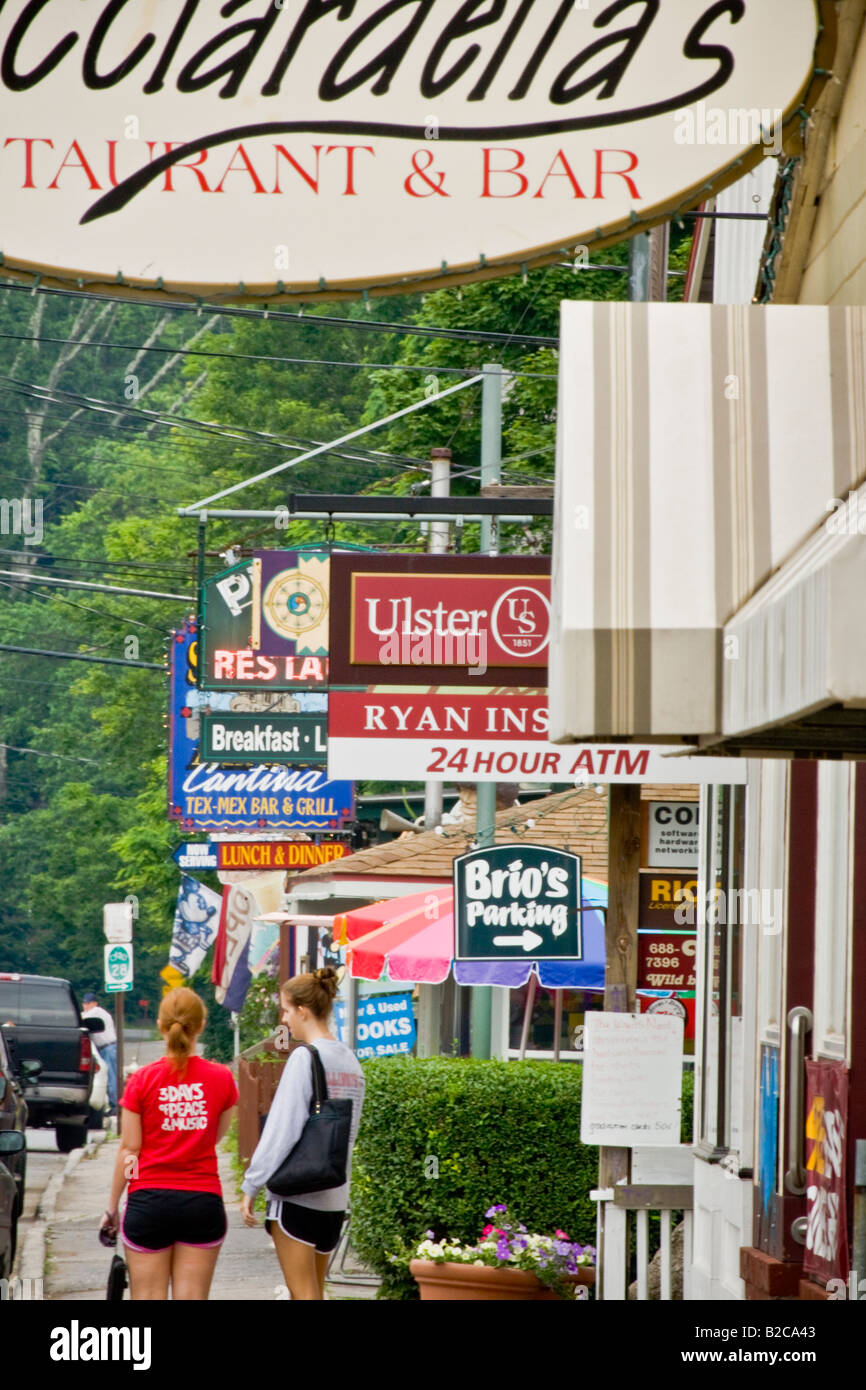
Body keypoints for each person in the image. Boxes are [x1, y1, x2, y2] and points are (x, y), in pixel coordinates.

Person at [100, 986, 237, 1301]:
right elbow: (215, 1136)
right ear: (201, 1025)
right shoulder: (222, 1078)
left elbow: (129, 1150)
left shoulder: (141, 1081)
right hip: (202, 1201)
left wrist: (112, 1207)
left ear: (161, 1026)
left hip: (148, 1201)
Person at [240, 967, 365, 1301]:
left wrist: (252, 1183)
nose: (284, 1019)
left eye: (286, 1009)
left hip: (297, 1197)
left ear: (304, 1011)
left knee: (304, 1295)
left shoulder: (304, 1058)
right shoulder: (351, 1062)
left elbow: (283, 1129)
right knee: (314, 1292)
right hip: (334, 1198)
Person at [81, 993, 118, 1113]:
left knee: (111, 1077)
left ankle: (116, 1106)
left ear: (95, 1003)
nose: (85, 1006)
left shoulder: (97, 1011)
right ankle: (114, 1105)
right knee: (108, 1077)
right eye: (84, 1003)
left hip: (108, 1048)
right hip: (104, 1049)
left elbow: (81, 1019)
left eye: (88, 1003)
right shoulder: (92, 1012)